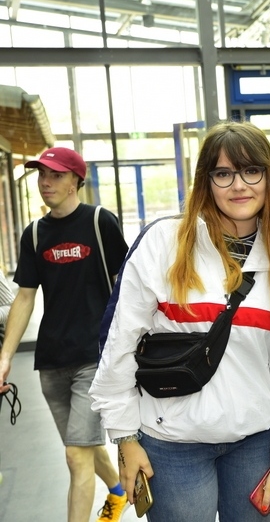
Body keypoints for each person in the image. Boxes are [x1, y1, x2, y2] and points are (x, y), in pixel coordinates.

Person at [89, 121, 270, 521]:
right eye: (223, 174)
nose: (238, 185)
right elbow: (120, 341)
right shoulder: (165, 242)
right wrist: (124, 438)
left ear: (269, 178)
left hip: (253, 444)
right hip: (171, 446)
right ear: (206, 182)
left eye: (251, 171)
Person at [0, 147, 130, 522]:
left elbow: (127, 285)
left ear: (75, 180)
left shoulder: (100, 222)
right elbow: (25, 297)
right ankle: (118, 493)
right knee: (82, 447)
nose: (45, 182)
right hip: (52, 361)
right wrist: (5, 356)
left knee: (75, 455)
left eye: (55, 175)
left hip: (94, 357)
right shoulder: (34, 234)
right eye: (42, 175)